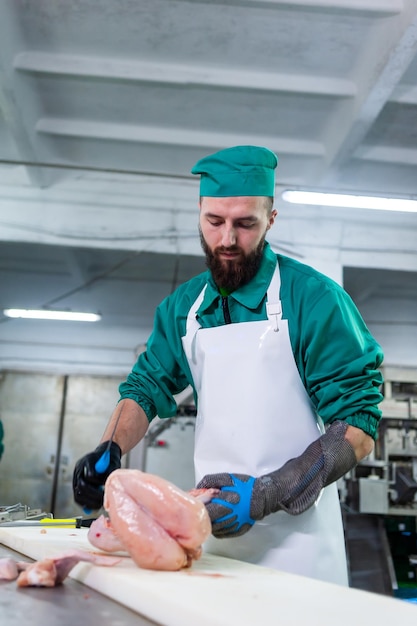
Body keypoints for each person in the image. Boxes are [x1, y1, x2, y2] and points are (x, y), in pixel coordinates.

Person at [73, 145, 384, 586]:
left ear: (271, 220)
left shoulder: (314, 300)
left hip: (299, 546)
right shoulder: (184, 308)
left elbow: (357, 426)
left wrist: (266, 493)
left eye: (245, 224)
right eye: (214, 222)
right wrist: (108, 448)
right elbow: (144, 388)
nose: (227, 240)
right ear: (199, 212)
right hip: (211, 530)